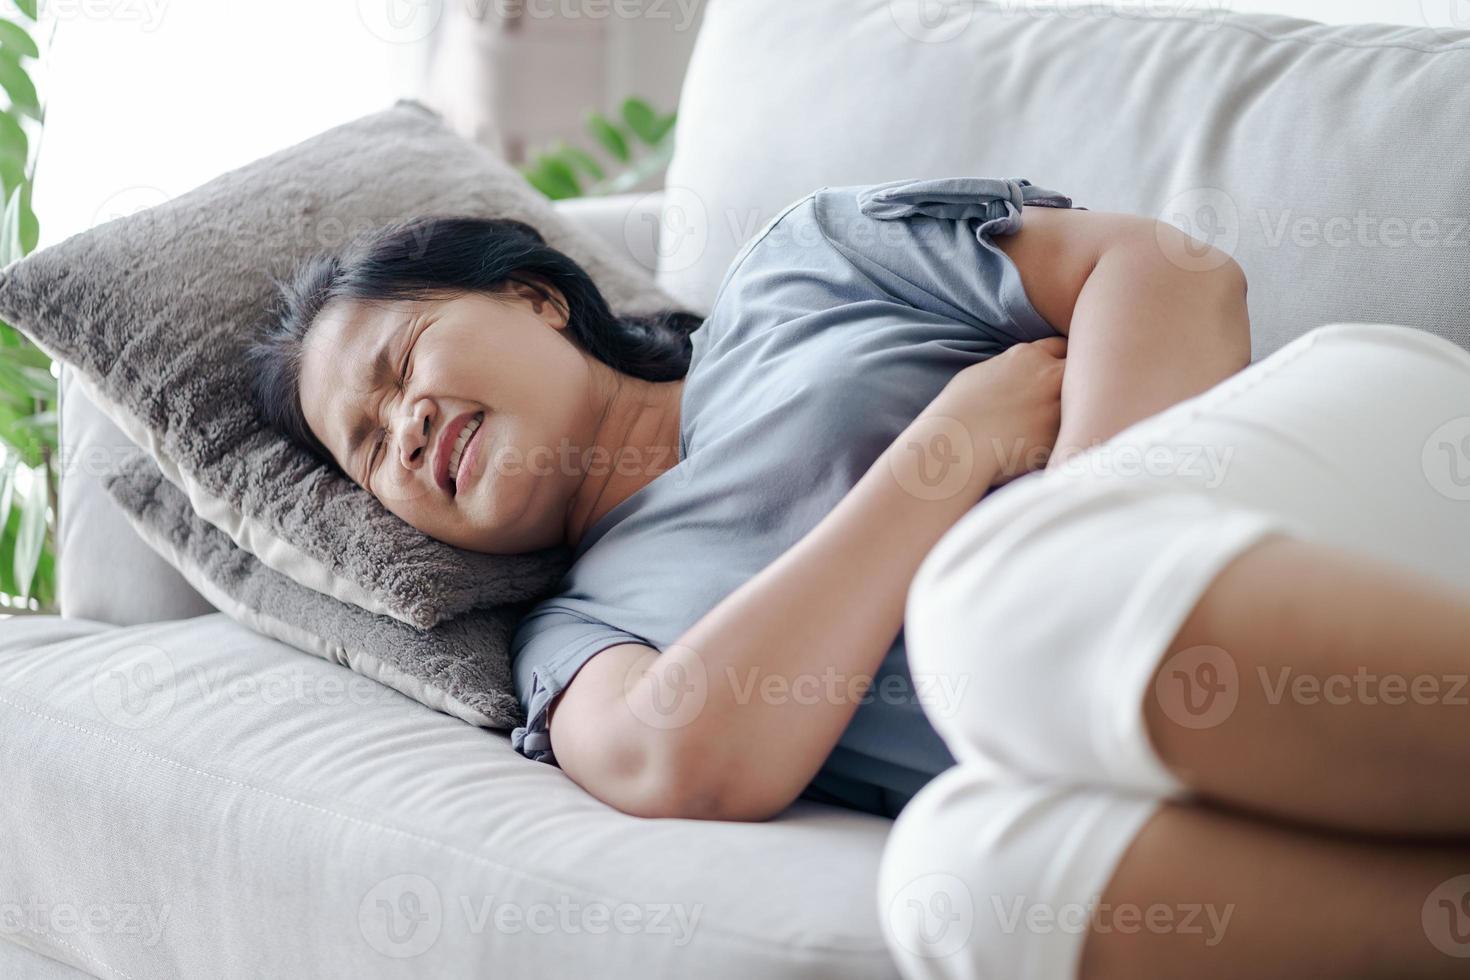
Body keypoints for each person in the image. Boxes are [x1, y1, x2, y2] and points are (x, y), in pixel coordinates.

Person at [247, 177, 1470, 979]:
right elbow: (689, 758)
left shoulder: (807, 266)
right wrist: (947, 455)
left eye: (403, 361)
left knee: (994, 611)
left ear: (537, 296)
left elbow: (1168, 271)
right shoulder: (576, 638)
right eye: (368, 447)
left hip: (1344, 498)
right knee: (958, 879)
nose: (402, 427)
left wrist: (1080, 534)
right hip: (1210, 754)